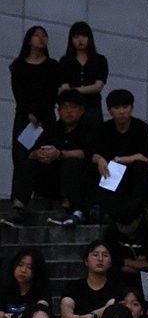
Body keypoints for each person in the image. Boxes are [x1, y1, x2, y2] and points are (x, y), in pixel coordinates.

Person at [10, 89, 96, 227]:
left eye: (73, 107)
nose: (69, 111)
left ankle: (67, 208)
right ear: (59, 110)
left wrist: (60, 154)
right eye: (65, 107)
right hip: (49, 179)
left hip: (77, 183)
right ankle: (18, 208)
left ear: (81, 110)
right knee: (27, 163)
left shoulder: (90, 130)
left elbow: (87, 154)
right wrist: (38, 154)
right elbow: (27, 153)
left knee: (72, 161)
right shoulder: (49, 129)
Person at [6, 26, 61, 225]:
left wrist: (38, 114)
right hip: (24, 118)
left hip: (45, 119)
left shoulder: (52, 66)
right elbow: (18, 93)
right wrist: (29, 113)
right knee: (23, 158)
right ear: (29, 40)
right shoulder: (18, 65)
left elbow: (52, 93)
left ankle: (48, 197)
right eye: (37, 35)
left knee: (46, 155)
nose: (41, 38)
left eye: (44, 35)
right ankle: (18, 205)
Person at [92, 89, 148, 214]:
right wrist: (100, 160)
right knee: (93, 169)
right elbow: (94, 153)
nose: (121, 111)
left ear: (131, 108)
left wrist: (118, 160)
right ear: (110, 111)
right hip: (112, 175)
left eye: (125, 107)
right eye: (116, 107)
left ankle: (138, 209)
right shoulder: (104, 129)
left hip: (135, 175)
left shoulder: (142, 128)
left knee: (139, 167)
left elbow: (145, 158)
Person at [0, 248, 50, 318]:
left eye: (29, 267)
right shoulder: (4, 290)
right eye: (20, 265)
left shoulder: (41, 292)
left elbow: (40, 309)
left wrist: (16, 317)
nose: (23, 270)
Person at [58, 22, 107, 125]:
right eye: (76, 37)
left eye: (84, 36)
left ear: (90, 38)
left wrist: (73, 90)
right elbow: (64, 87)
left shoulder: (100, 60)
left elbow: (98, 86)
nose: (80, 40)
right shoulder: (64, 61)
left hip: (93, 107)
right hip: (72, 109)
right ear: (71, 40)